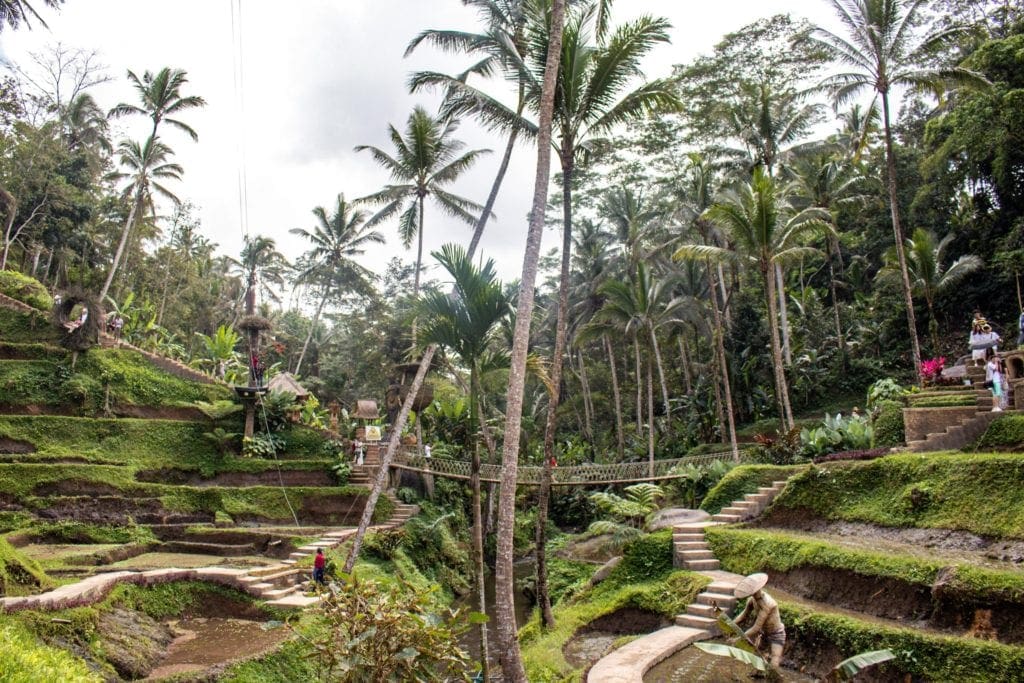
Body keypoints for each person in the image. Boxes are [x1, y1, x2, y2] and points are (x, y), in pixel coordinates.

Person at [733, 572, 785, 668]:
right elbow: (743, 616)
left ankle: (773, 678)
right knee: (759, 655)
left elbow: (756, 628)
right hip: (764, 632)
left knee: (775, 657)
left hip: (776, 632)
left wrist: (740, 638)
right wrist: (731, 624)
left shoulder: (767, 604)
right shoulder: (752, 600)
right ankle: (759, 673)